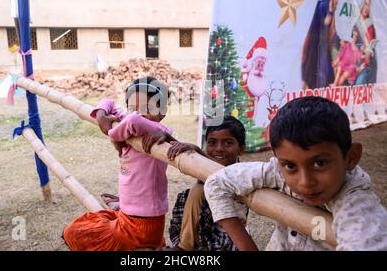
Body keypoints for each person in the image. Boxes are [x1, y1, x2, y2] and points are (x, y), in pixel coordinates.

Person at [204, 96, 387, 250]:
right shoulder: (277, 171)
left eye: (319, 163)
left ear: (351, 157)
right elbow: (217, 183)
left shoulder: (357, 205)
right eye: (291, 166)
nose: (305, 182)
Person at [62, 76, 176, 251]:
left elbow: (134, 121)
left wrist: (112, 132)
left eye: (147, 108)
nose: (139, 112)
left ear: (162, 111)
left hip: (143, 225)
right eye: (133, 107)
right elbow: (109, 102)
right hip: (127, 214)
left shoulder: (159, 132)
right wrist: (101, 115)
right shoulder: (132, 123)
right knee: (85, 223)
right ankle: (119, 208)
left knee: (75, 231)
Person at [167, 115, 249, 251]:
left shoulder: (242, 173)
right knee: (188, 195)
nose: (219, 149)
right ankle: (185, 244)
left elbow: (223, 176)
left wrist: (197, 150)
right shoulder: (207, 166)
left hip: (225, 240)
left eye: (228, 143)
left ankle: (184, 247)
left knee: (198, 190)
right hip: (202, 234)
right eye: (212, 142)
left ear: (241, 149)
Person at [302, 0, 341, 89]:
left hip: (324, 41)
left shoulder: (332, 9)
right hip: (315, 40)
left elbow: (332, 28)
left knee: (325, 65)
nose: (337, 0)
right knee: (313, 66)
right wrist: (324, 22)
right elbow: (315, 22)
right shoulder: (322, 4)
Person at [354, 0, 378, 85]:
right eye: (365, 4)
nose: (367, 7)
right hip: (357, 64)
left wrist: (362, 66)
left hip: (367, 65)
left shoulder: (369, 25)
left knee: (359, 88)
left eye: (369, 5)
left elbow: (370, 48)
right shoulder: (356, 24)